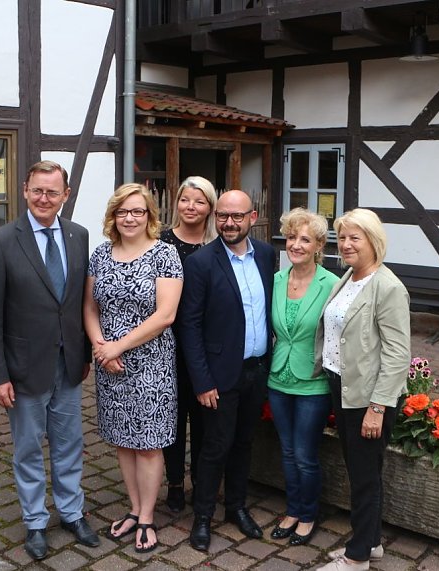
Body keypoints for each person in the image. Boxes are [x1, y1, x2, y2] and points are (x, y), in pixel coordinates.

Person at [0, 160, 99, 561]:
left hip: (68, 364)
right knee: (28, 448)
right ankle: (34, 521)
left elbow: (78, 302)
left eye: (53, 192)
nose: (44, 198)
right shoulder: (1, 242)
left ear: (65, 195)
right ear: (25, 190)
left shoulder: (78, 236)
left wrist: (83, 352)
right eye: (37, 190)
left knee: (69, 443)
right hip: (24, 367)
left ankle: (71, 512)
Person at [83, 183, 183, 554]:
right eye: (123, 211)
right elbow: (90, 308)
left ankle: (147, 517)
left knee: (148, 444)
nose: (130, 217)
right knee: (122, 440)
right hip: (110, 365)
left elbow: (166, 315)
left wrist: (116, 347)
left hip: (150, 363)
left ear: (149, 216)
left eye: (137, 211)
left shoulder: (165, 255)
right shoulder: (100, 255)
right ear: (113, 216)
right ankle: (134, 507)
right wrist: (100, 349)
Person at [314, 208, 411, 571]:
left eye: (355, 237)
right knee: (360, 471)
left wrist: (378, 406)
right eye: (342, 237)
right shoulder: (350, 278)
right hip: (344, 386)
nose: (346, 244)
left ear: (374, 241)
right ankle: (371, 543)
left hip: (369, 397)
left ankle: (356, 559)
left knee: (365, 476)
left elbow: (398, 354)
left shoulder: (388, 287)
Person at [178, 189, 274, 552]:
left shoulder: (266, 255)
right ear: (215, 217)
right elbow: (189, 325)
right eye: (222, 216)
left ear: (253, 217)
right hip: (218, 376)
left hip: (257, 370)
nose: (229, 223)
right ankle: (202, 517)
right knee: (214, 447)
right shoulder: (201, 262)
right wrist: (202, 380)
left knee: (244, 443)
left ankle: (236, 507)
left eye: (237, 216)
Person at [268, 208, 339, 547]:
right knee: (286, 450)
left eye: (304, 239)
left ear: (319, 245)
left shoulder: (332, 284)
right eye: (291, 237)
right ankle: (293, 509)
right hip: (278, 378)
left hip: (312, 381)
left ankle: (308, 514)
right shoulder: (278, 279)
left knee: (305, 453)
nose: (295, 245)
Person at [160, 176, 218, 512]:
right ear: (177, 203)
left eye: (199, 201)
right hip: (166, 346)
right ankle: (174, 483)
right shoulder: (161, 244)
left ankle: (200, 480)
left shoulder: (216, 247)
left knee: (203, 419)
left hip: (204, 348)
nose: (191, 207)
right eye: (185, 200)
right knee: (172, 418)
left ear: (209, 207)